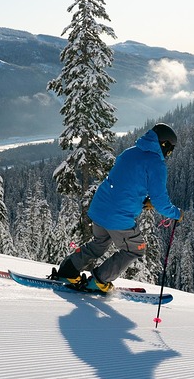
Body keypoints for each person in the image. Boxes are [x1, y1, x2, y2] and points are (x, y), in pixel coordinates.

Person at [52, 123, 182, 294]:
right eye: (170, 149)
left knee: (99, 244)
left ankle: (67, 271)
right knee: (135, 249)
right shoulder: (156, 163)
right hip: (119, 217)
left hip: (100, 208)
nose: (169, 154)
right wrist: (176, 213)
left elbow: (124, 183)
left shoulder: (130, 152)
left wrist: (143, 201)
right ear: (163, 144)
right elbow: (161, 201)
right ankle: (100, 279)